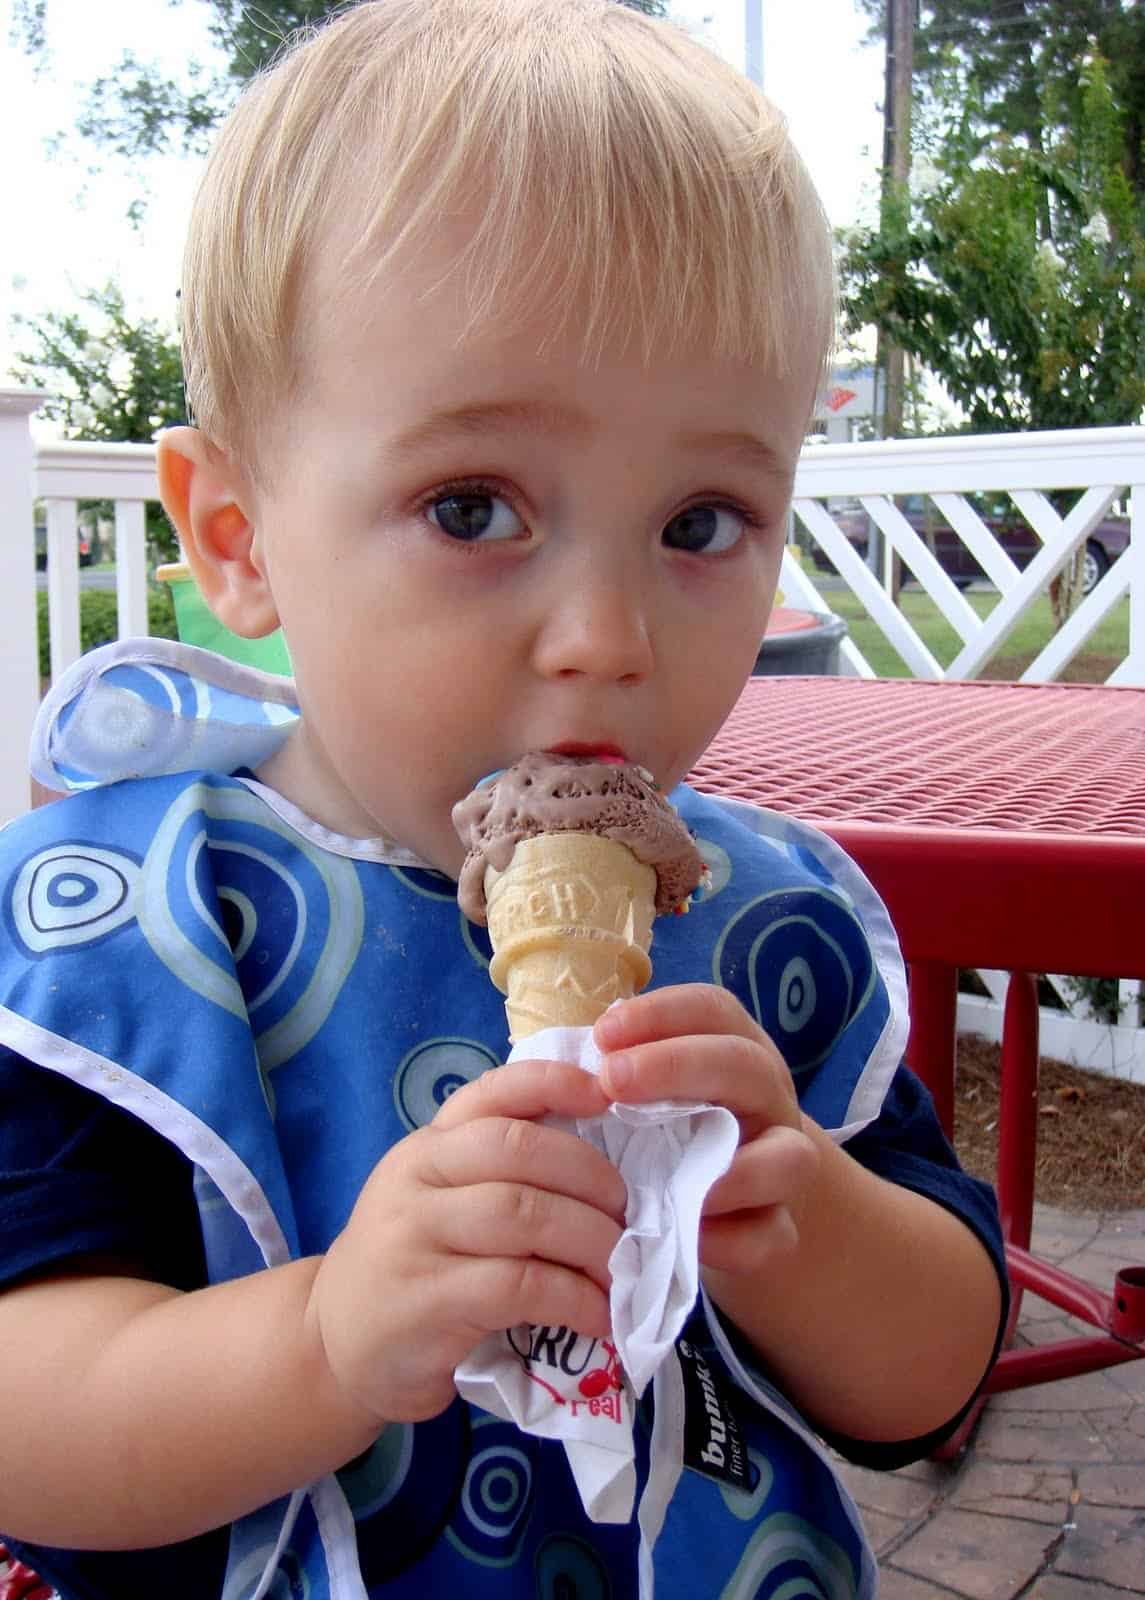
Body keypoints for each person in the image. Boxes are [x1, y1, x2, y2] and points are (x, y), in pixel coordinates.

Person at [0, 2, 1007, 1596]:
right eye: (473, 506)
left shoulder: (765, 930)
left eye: (700, 521)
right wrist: (328, 1342)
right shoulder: (122, 930)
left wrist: (804, 1229)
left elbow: (938, 1372)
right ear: (243, 535)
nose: (606, 640)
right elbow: (28, 1423)